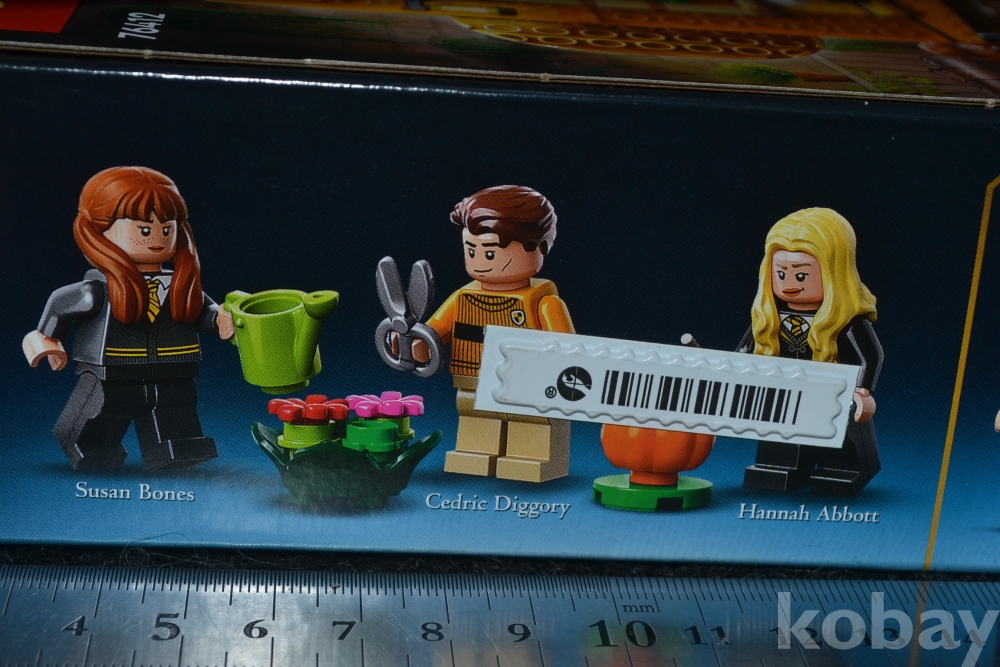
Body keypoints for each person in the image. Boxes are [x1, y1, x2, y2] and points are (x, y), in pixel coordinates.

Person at [22, 166, 233, 471]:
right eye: (144, 230)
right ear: (98, 231)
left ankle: (178, 447)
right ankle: (90, 447)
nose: (157, 238)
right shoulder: (99, 290)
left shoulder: (182, 288)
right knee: (106, 409)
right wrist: (46, 341)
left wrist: (223, 319)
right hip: (114, 369)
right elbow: (59, 305)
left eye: (166, 229)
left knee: (175, 406)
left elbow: (204, 314)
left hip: (174, 366)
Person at [415, 185, 575, 482]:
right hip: (472, 375)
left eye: (490, 252)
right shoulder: (463, 296)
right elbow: (435, 332)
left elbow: (570, 350)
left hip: (529, 383)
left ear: (539, 246)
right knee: (474, 411)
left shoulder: (544, 303)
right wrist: (417, 345)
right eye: (471, 250)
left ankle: (532, 457)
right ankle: (475, 452)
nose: (479, 262)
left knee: (532, 418)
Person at [739, 207, 883, 497]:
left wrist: (862, 390)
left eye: (802, 275)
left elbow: (870, 356)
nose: (789, 284)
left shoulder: (846, 322)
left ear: (833, 272)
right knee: (779, 427)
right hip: (784, 392)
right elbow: (745, 350)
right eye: (781, 273)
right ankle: (778, 465)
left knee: (840, 431)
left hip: (833, 393)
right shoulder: (768, 320)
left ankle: (841, 469)